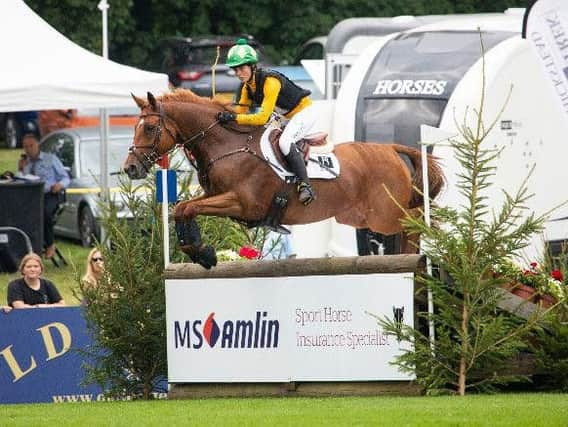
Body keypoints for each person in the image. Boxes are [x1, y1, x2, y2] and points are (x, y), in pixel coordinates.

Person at [217, 38, 317, 205]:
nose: (238, 73)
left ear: (252, 66)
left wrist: (233, 117)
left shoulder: (270, 81)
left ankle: (305, 185)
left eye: (241, 68)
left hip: (304, 113)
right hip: (285, 117)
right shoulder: (247, 87)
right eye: (235, 70)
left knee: (285, 142)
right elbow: (240, 112)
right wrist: (222, 114)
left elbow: (261, 117)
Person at [17, 133, 70, 259]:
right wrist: (20, 169)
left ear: (38, 145)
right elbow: (18, 181)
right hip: (30, 197)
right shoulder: (25, 163)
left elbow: (66, 177)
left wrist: (60, 185)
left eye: (31, 145)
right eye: (26, 147)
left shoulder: (50, 159)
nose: (29, 149)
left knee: (45, 213)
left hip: (49, 194)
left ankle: (50, 244)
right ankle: (28, 247)